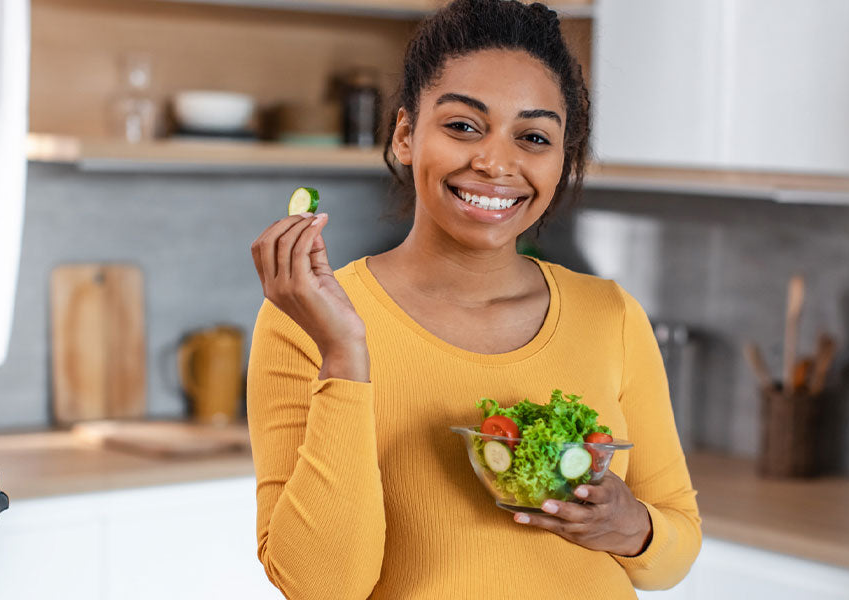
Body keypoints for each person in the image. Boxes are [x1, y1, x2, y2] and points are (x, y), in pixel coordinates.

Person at [244, 1, 698, 596]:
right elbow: (323, 586)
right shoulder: (308, 321)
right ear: (406, 135)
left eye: (533, 137)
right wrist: (345, 354)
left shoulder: (609, 315)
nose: (494, 163)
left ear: (563, 160)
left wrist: (629, 525)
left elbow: (674, 551)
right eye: (463, 126)